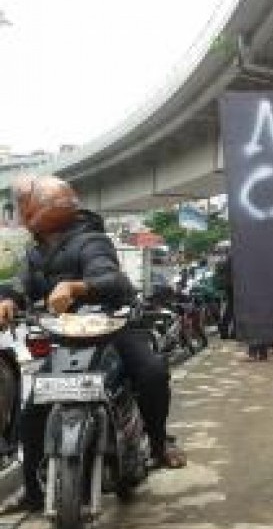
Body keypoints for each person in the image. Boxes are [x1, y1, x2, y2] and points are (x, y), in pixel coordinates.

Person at [0, 175, 186, 512]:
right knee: (32, 411)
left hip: (112, 327)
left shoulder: (91, 240)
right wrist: (8, 300)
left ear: (36, 213)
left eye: (25, 208)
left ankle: (158, 444)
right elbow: (18, 284)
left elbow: (109, 277)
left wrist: (76, 287)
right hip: (67, 334)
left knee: (153, 372)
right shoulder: (35, 253)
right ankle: (32, 491)